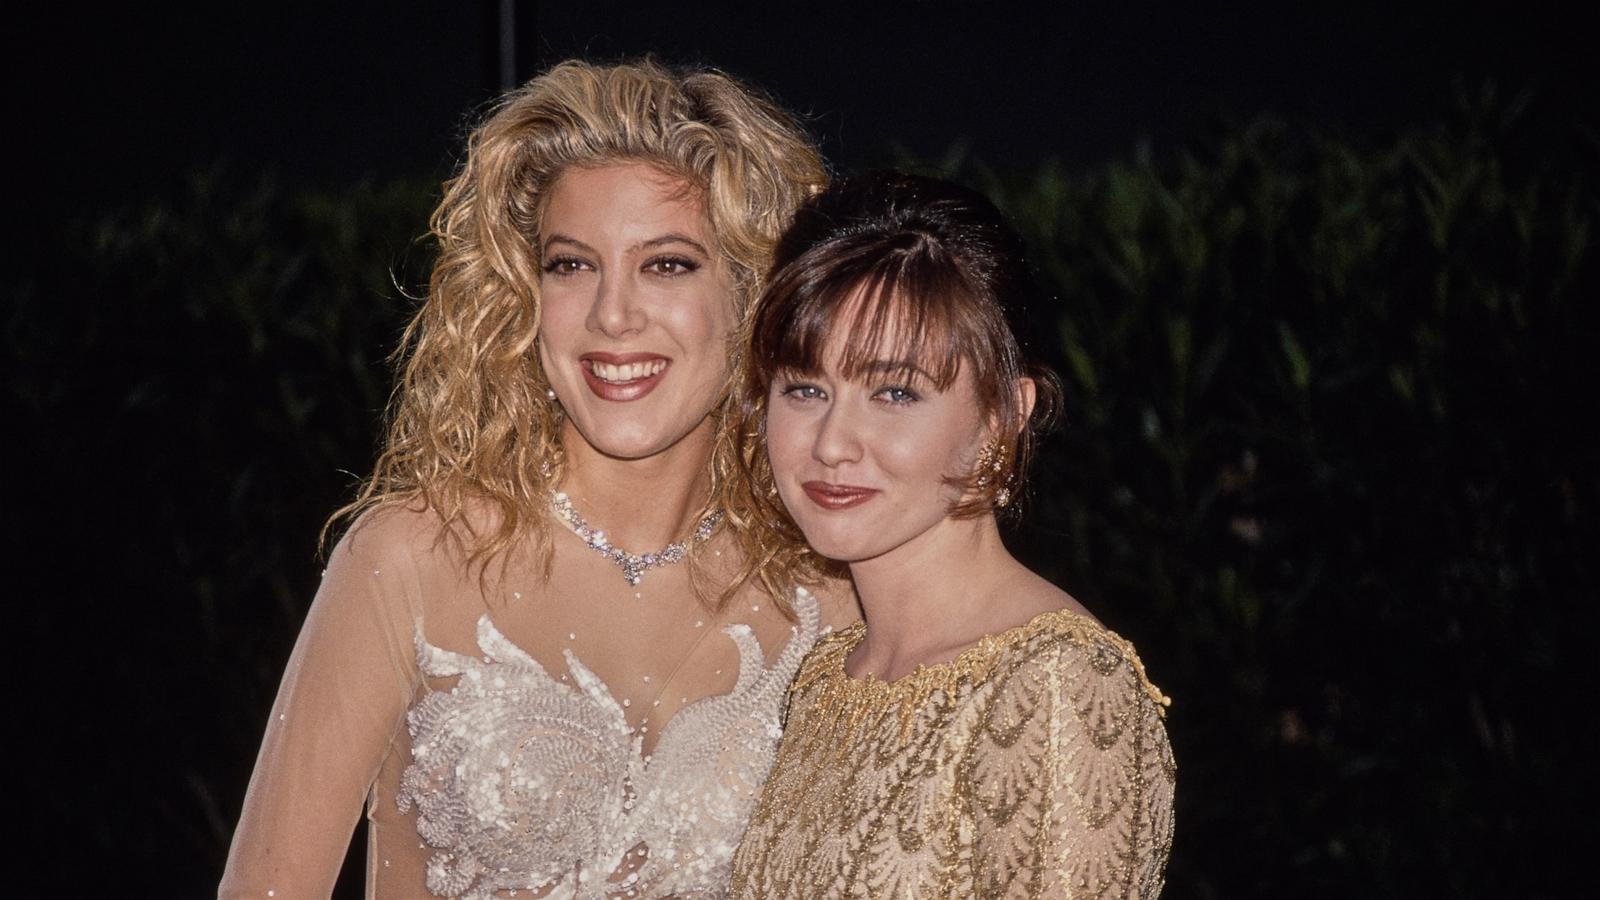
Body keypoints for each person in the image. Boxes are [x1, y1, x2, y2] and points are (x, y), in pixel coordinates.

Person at [220, 59, 856, 899]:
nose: (612, 314)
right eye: (571, 265)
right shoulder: (408, 559)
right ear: (523, 293)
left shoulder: (828, 597)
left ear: (751, 292)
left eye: (666, 264)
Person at [727, 171, 1176, 898]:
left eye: (895, 392)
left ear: (1001, 418)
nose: (833, 442)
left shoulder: (1058, 684)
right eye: (805, 388)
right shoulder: (827, 673)